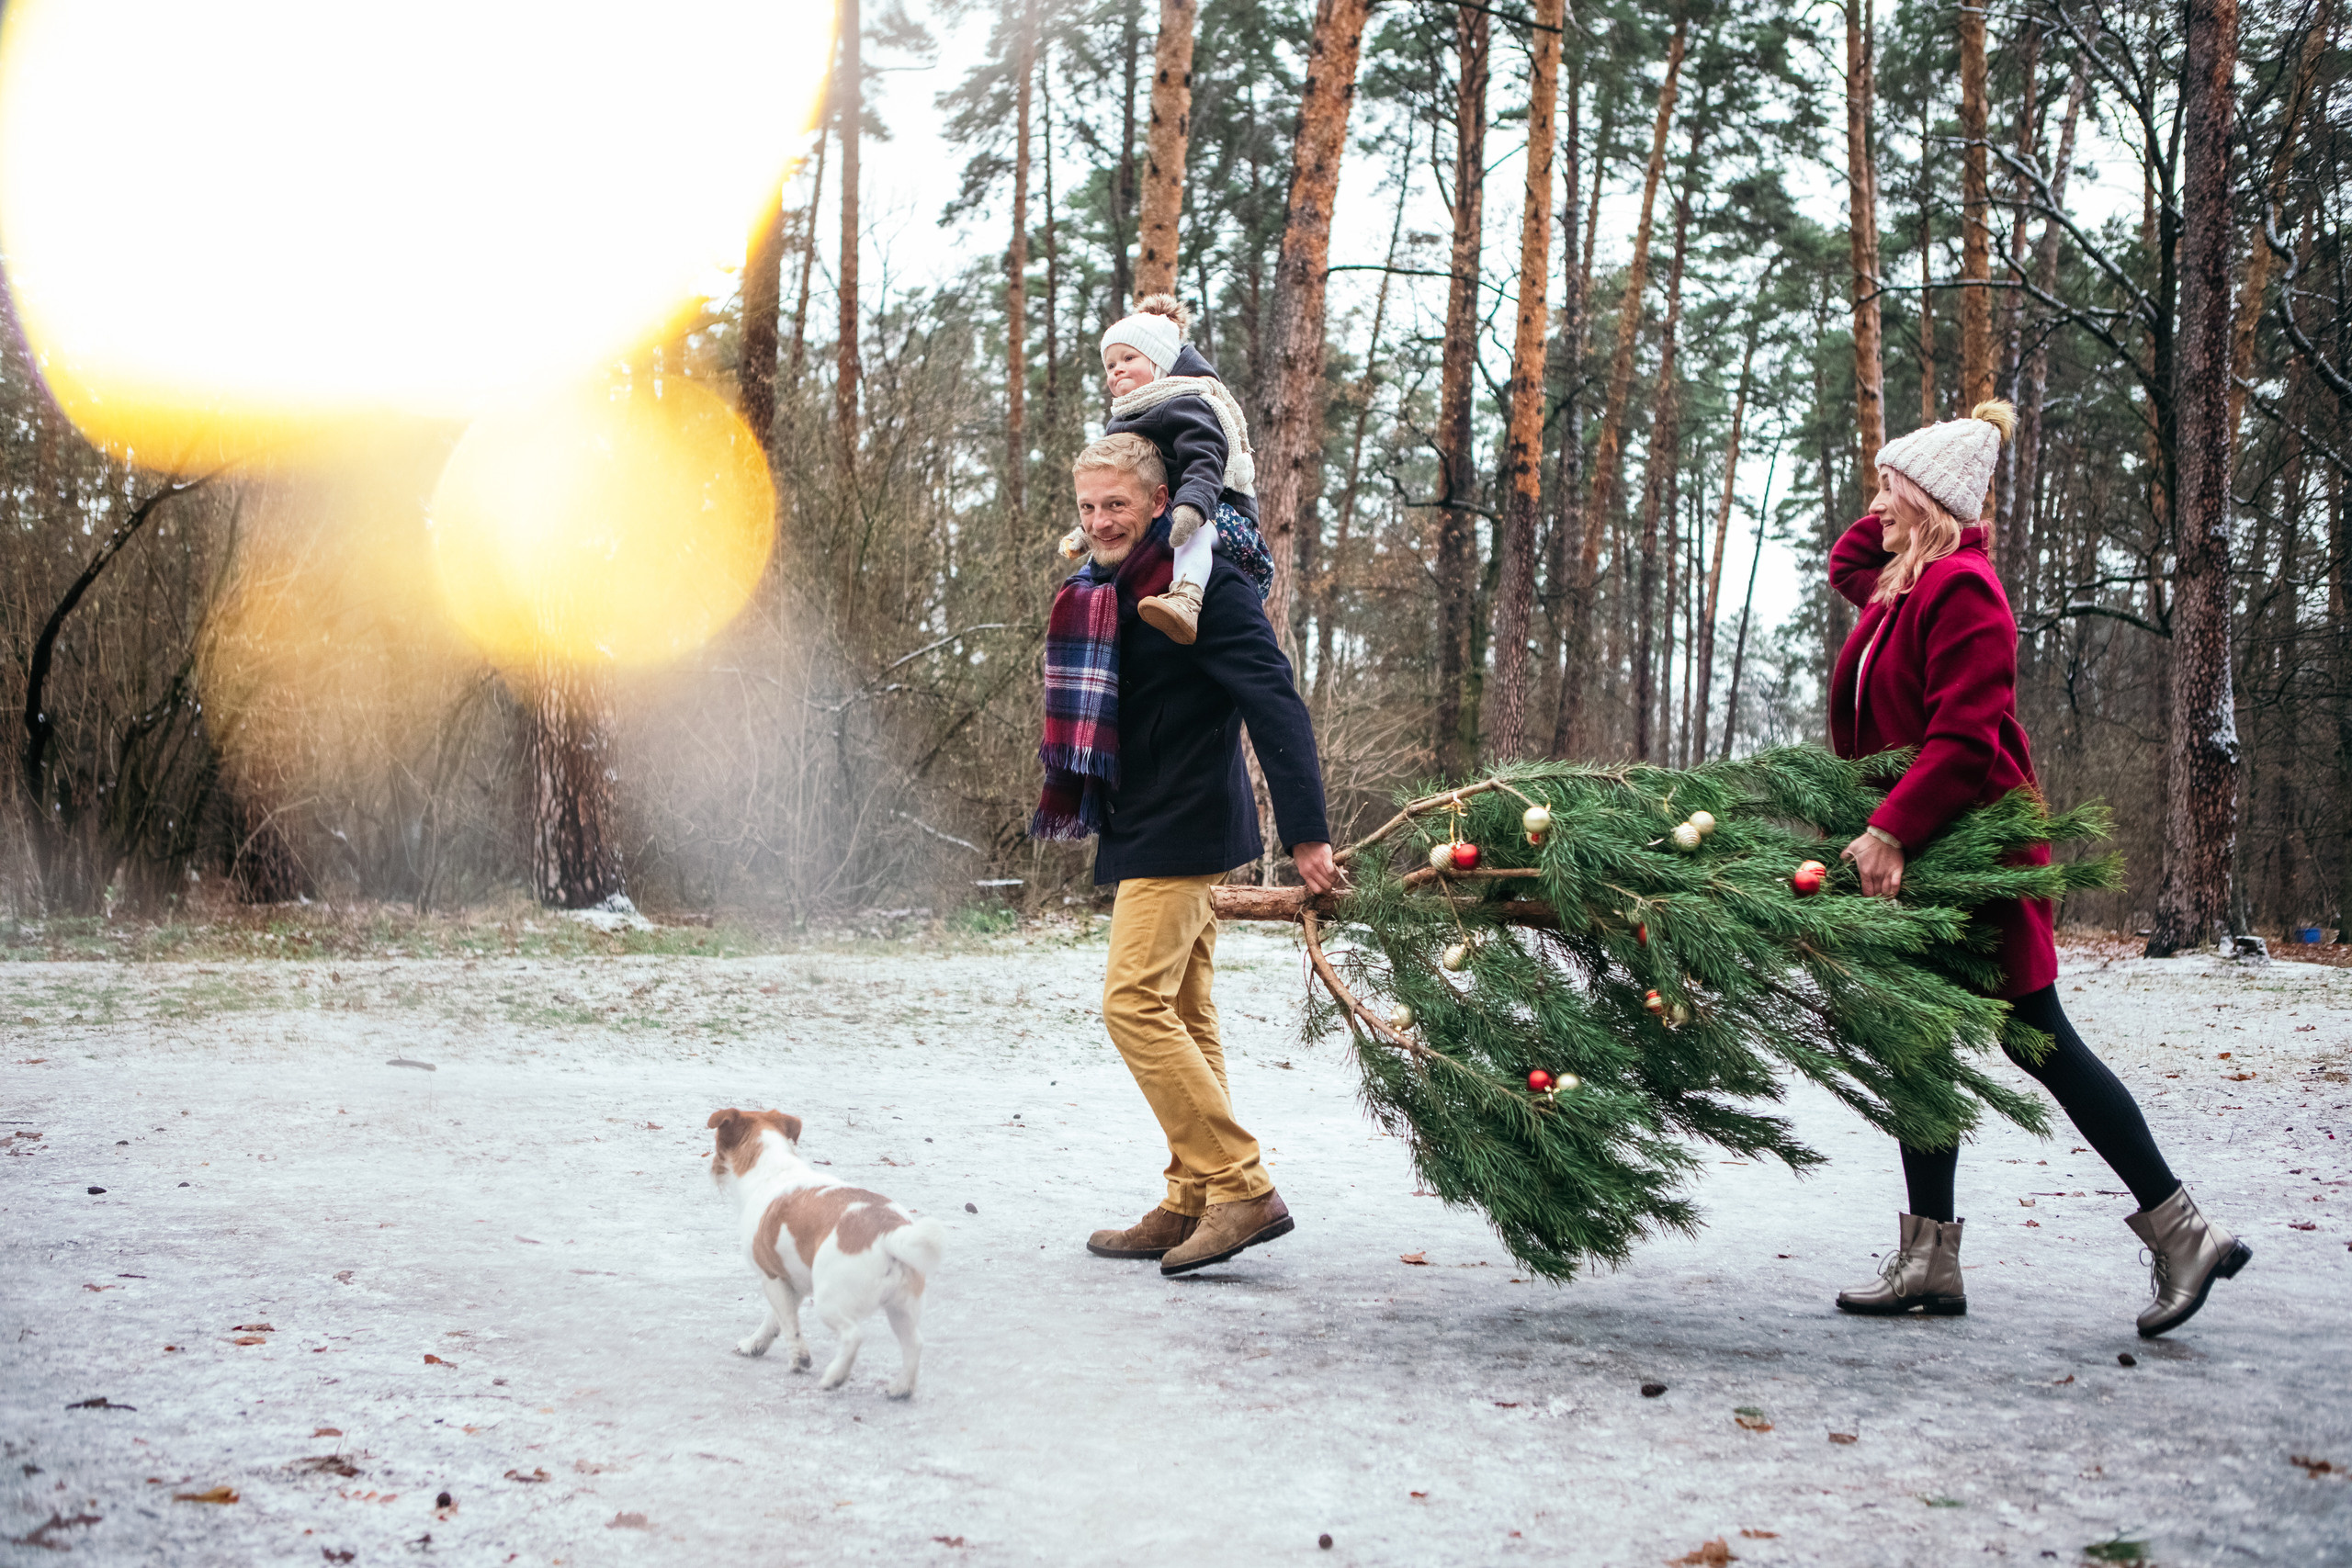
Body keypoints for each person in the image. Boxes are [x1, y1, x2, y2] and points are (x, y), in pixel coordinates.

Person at [1826, 400, 2249, 1338]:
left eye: (1888, 489)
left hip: (1977, 855)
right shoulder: (1902, 581)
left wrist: (1892, 828)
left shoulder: (1962, 591)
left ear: (1928, 503)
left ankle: (2184, 1234)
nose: (1875, 502)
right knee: (1919, 1046)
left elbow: (1965, 739)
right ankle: (1929, 1262)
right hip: (1928, 855)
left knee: (2038, 1040)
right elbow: (1847, 560)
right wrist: (1925, 475)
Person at [1033, 432, 1335, 1277]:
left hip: (1188, 820)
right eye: (1088, 507)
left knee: (1131, 1002)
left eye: (1117, 505)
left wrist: (1307, 831)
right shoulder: (1099, 590)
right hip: (1144, 818)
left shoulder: (1206, 587)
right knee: (1186, 1013)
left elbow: (1277, 705)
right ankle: (1191, 1196)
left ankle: (1240, 1183)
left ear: (1162, 504)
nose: (1100, 521)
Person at [1056, 295, 1274, 643]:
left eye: (1129, 358)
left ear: (1159, 362)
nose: (1118, 370)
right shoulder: (1124, 420)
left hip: (1217, 508)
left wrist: (1192, 507)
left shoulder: (1186, 402)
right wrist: (1089, 530)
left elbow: (1206, 458)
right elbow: (1121, 488)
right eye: (1110, 365)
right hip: (1166, 508)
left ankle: (1187, 598)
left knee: (1195, 533)